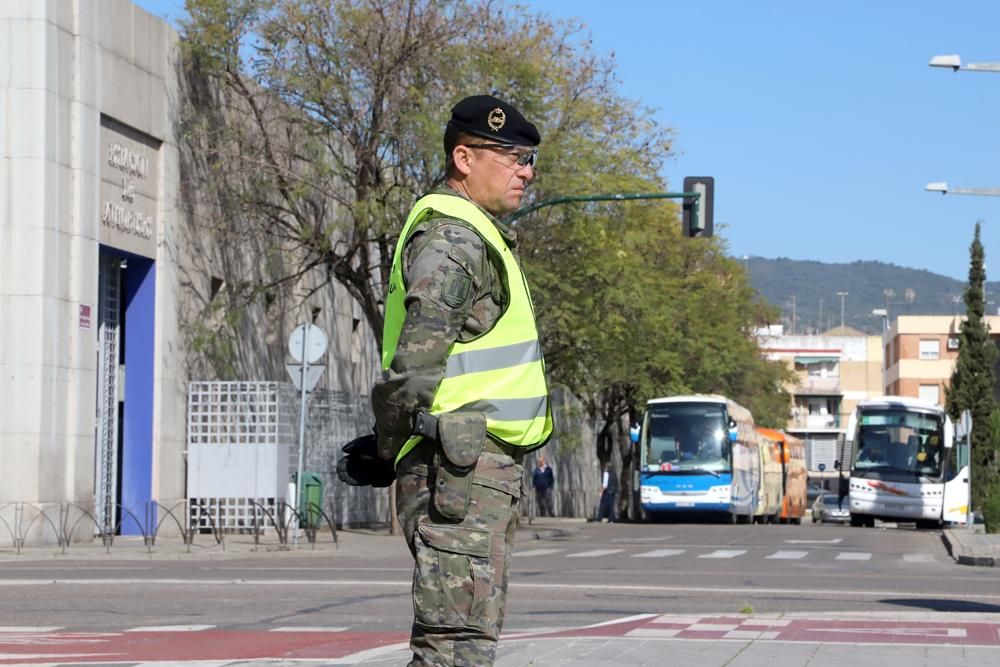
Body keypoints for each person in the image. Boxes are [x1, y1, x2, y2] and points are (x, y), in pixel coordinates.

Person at [338, 94, 552, 666]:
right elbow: (415, 367)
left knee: (462, 644)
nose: (526, 172)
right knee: (453, 648)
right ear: (464, 157)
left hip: (473, 469)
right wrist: (387, 450)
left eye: (530, 160)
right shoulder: (453, 241)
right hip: (456, 472)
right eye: (512, 157)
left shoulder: (476, 236)